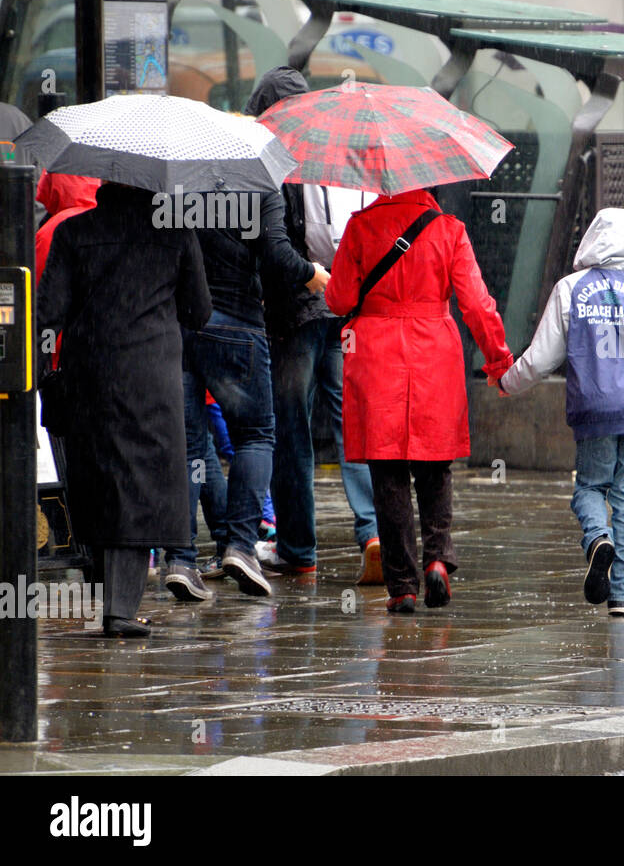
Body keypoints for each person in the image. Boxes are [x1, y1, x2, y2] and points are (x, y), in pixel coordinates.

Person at [324, 188, 513, 613]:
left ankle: (403, 586)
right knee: (434, 464)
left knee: (386, 470)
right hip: (435, 353)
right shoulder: (449, 229)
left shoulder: (359, 226)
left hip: (376, 354)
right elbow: (477, 305)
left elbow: (337, 300)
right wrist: (498, 360)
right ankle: (438, 560)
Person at [496, 208, 624, 618]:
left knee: (589, 488)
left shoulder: (570, 289)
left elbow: (541, 358)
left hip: (593, 410)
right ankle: (622, 596)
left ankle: (598, 538)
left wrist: (507, 382)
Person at [37, 183, 212, 636]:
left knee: (95, 475)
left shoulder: (75, 232)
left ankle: (108, 601)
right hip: (150, 374)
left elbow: (49, 311)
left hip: (90, 369)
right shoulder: (176, 233)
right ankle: (119, 608)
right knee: (141, 482)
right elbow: (199, 312)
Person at [243, 67, 380, 579]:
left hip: (294, 309)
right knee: (353, 423)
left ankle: (298, 550)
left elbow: (273, 247)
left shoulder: (272, 161)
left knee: (292, 429)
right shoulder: (334, 148)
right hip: (343, 302)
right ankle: (374, 532)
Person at [169, 176, 330, 602]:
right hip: (238, 326)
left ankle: (181, 559)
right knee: (256, 436)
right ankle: (240, 545)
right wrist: (310, 273)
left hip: (182, 327)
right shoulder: (259, 188)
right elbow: (277, 254)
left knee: (188, 445)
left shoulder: (180, 189)